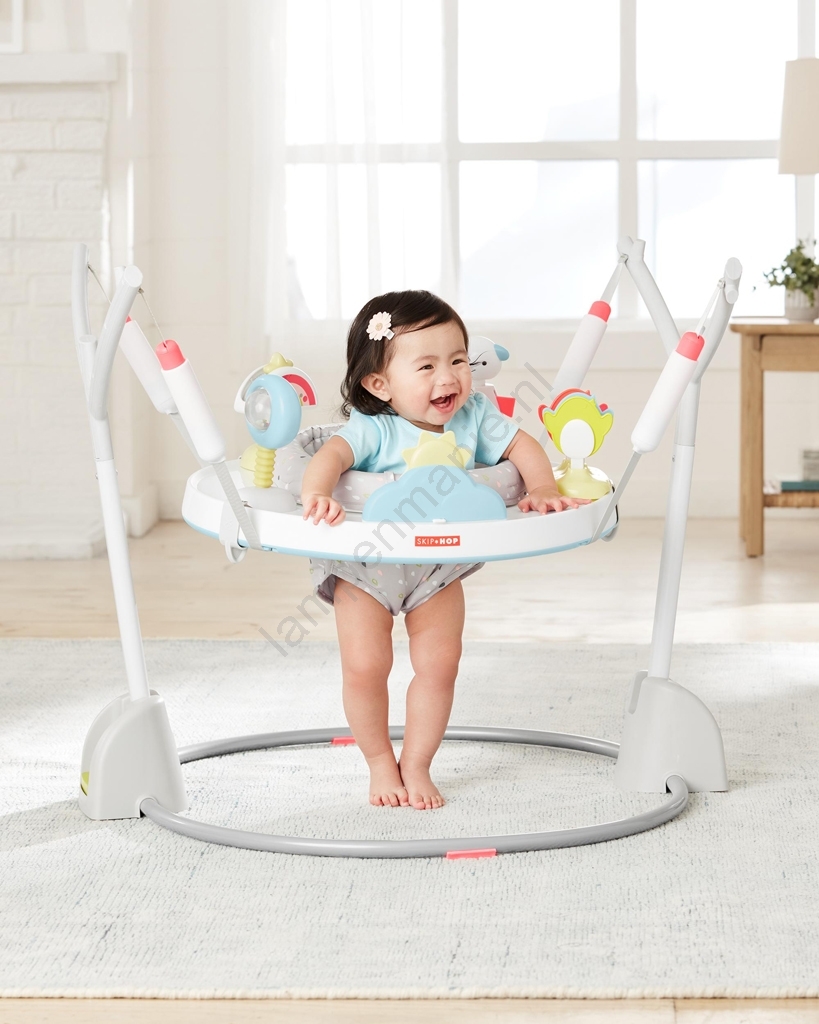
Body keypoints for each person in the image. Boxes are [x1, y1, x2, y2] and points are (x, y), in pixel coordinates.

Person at [301, 290, 583, 811]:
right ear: (379, 384)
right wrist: (318, 493)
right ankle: (379, 761)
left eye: (457, 360)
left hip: (438, 564)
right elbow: (330, 456)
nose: (448, 377)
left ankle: (417, 762)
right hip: (367, 563)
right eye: (427, 366)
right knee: (365, 666)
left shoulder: (474, 416)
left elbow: (521, 446)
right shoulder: (374, 427)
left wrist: (542, 487)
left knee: (440, 664)